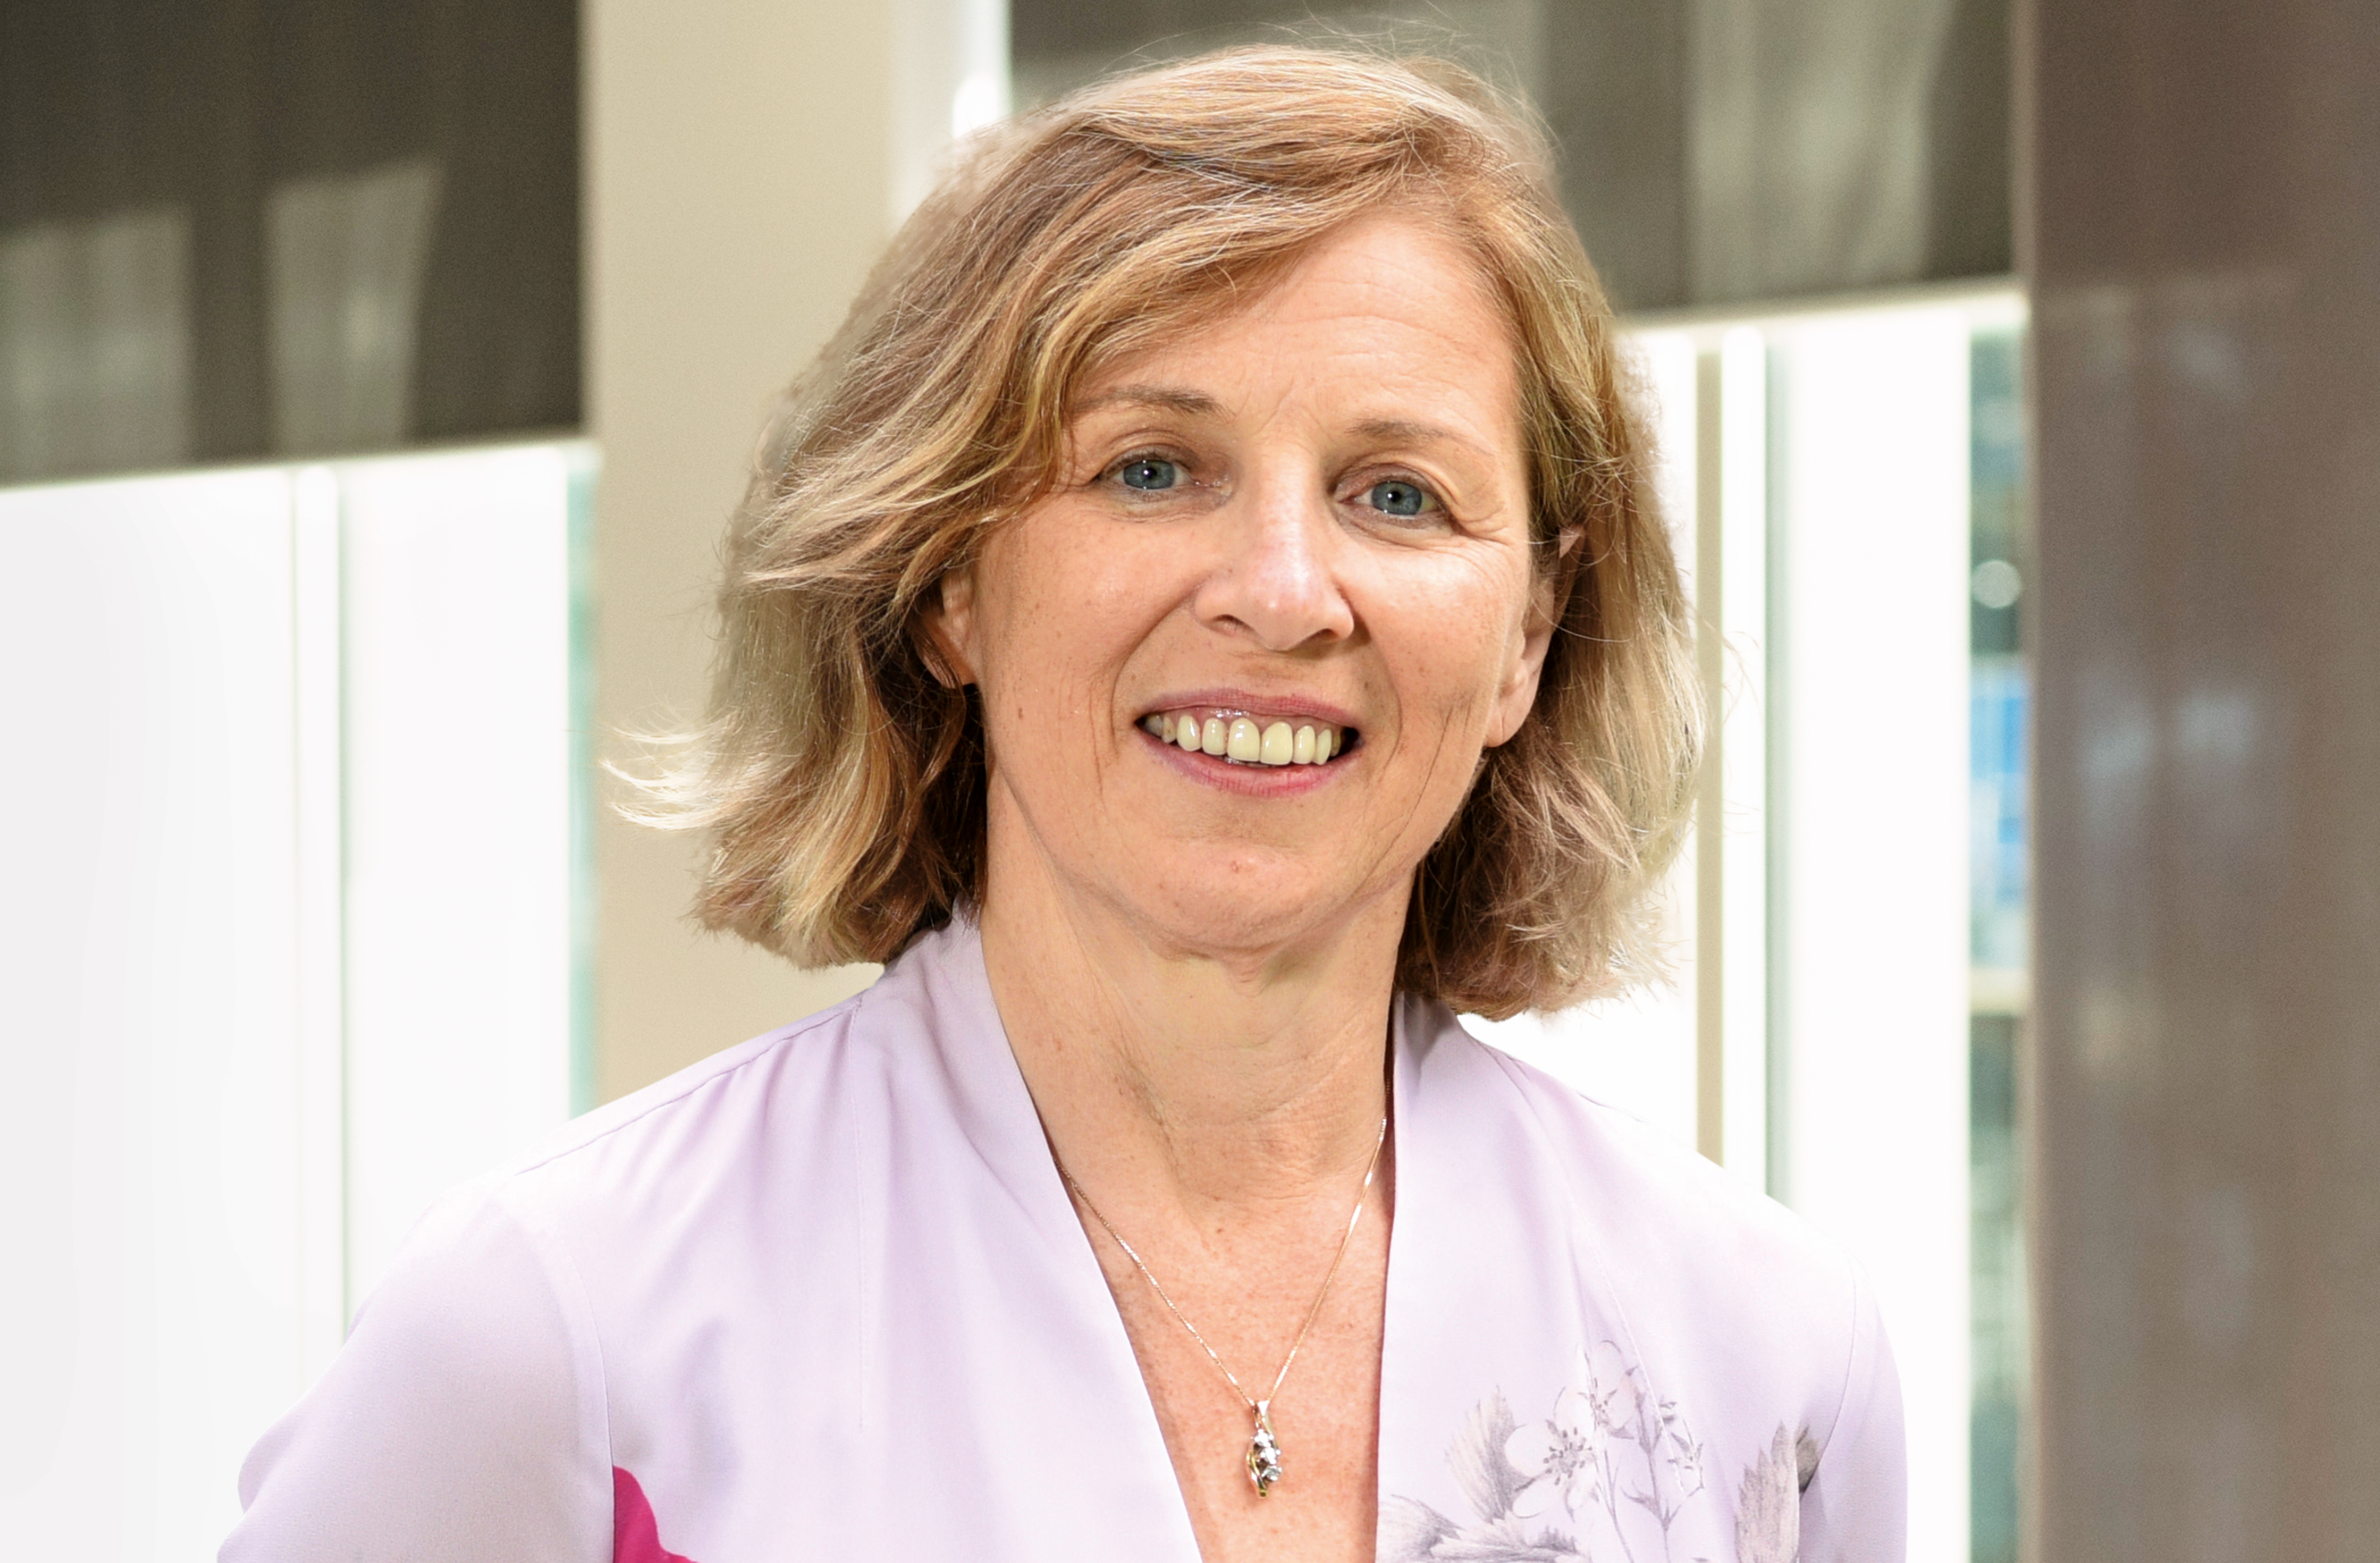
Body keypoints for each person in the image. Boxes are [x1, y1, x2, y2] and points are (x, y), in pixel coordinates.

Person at [224, 46, 1902, 1563]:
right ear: (947, 573)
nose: (1281, 589)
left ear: (1531, 631)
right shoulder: (564, 1332)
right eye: (1150, 468)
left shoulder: (1764, 1354)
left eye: (1399, 492)